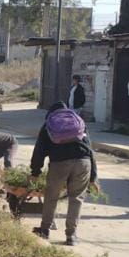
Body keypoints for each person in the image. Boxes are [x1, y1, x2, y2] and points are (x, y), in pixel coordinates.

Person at [30, 101, 98, 245]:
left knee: (51, 196)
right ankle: (71, 236)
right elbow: (90, 149)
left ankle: (44, 229)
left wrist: (35, 172)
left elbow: (39, 151)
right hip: (83, 162)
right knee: (76, 199)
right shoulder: (79, 122)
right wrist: (93, 177)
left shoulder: (49, 124)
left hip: (59, 163)